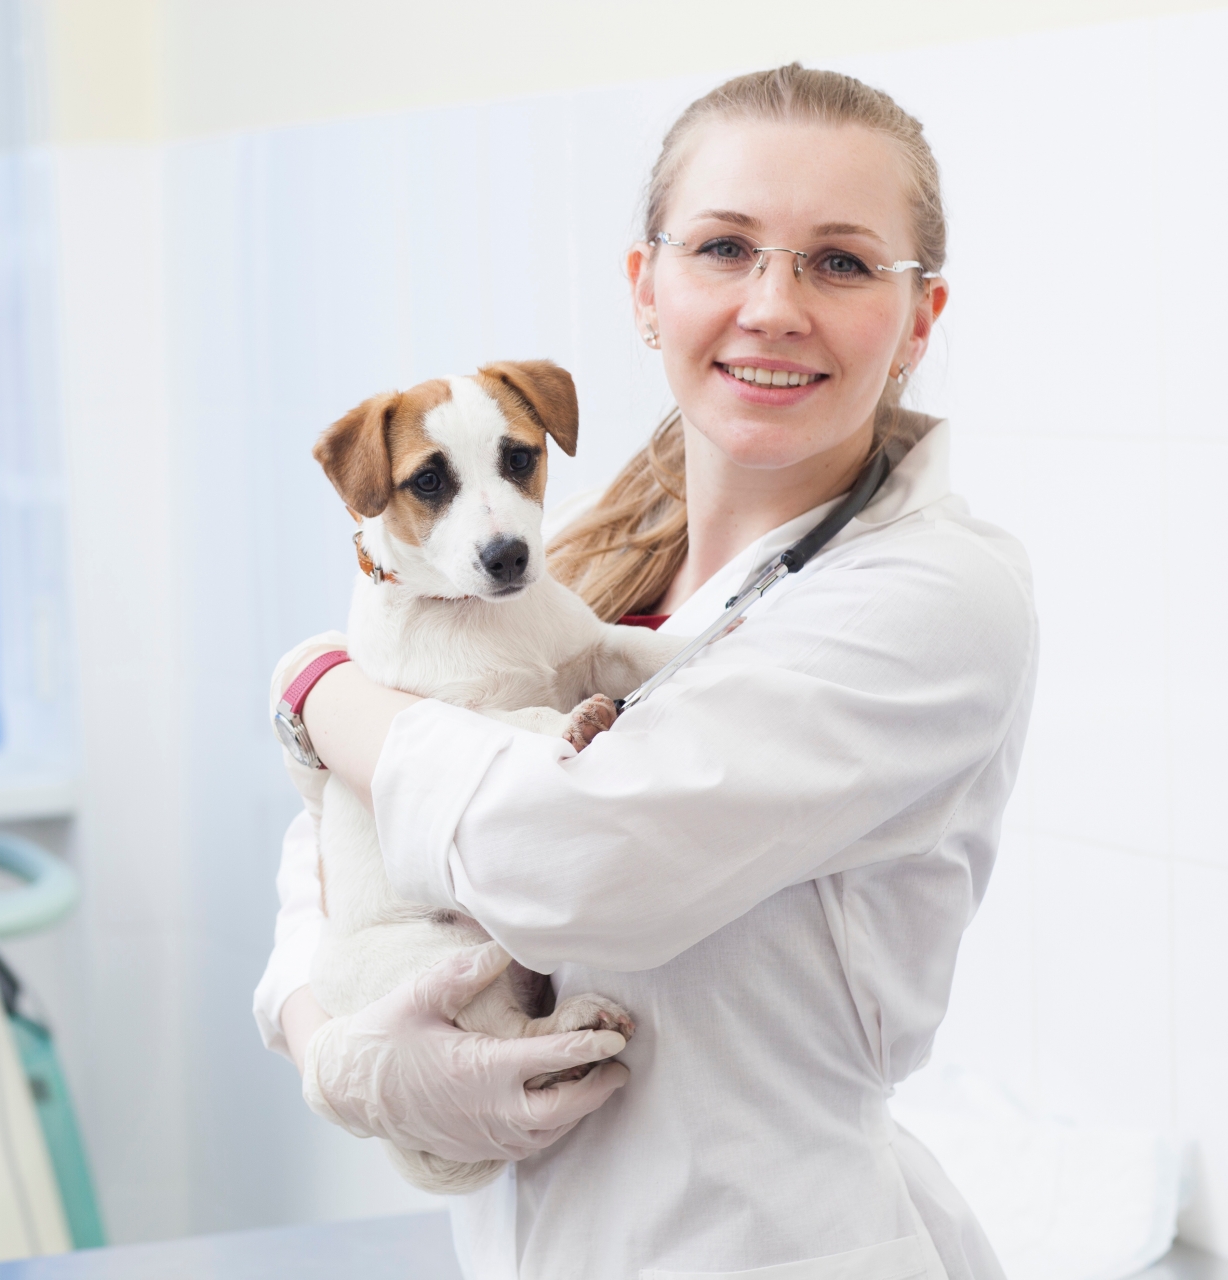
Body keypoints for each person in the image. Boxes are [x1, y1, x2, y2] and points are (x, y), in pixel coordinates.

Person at [254, 65, 1035, 1280]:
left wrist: (321, 690)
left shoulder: (935, 595)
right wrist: (330, 1047)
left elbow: (568, 860)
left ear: (921, 316)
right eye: (725, 246)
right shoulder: (565, 556)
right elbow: (334, 841)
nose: (773, 305)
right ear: (646, 289)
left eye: (839, 262)